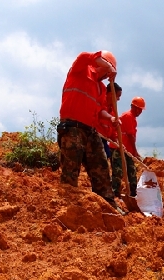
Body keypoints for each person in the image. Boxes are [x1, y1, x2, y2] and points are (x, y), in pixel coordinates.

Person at [57, 50, 119, 209]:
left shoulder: (100, 87)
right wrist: (109, 67)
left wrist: (111, 118)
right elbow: (86, 55)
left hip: (90, 130)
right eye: (107, 73)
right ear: (103, 65)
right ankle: (68, 206)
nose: (107, 77)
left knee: (101, 165)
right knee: (71, 168)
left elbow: (100, 110)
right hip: (72, 127)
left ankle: (107, 204)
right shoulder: (80, 69)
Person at [110, 96, 145, 197]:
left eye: (141, 110)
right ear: (134, 107)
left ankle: (133, 195)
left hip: (127, 150)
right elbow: (130, 136)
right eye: (139, 109)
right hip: (119, 148)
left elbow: (132, 136)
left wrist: (133, 151)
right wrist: (135, 151)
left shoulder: (133, 119)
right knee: (118, 172)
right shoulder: (128, 116)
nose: (140, 112)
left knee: (132, 172)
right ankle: (115, 193)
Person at [97, 82, 122, 159]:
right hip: (94, 138)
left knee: (107, 155)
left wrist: (118, 144)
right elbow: (99, 113)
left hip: (103, 140)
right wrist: (111, 118)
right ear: (111, 94)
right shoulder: (99, 102)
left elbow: (112, 133)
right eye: (118, 96)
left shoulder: (113, 111)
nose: (119, 99)